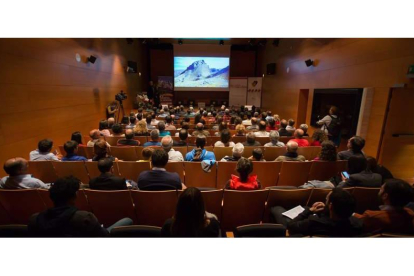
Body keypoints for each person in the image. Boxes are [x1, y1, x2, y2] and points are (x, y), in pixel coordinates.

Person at [28, 176, 133, 237]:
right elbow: (104, 236)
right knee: (127, 220)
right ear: (75, 195)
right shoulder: (84, 217)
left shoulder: (34, 219)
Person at [270, 188, 363, 237]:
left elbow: (291, 226)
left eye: (326, 199)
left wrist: (309, 211)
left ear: (331, 206)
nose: (325, 200)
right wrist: (326, 209)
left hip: (294, 227)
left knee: (276, 209)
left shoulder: (314, 222)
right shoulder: (357, 224)